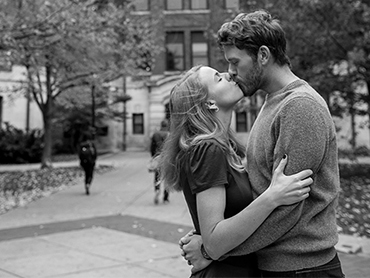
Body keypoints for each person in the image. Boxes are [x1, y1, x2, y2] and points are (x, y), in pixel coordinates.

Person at [180, 10, 344, 278]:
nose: (231, 72)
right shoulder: (272, 102)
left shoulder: (300, 107)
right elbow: (262, 190)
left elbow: (289, 209)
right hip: (276, 266)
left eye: (235, 62)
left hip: (303, 269)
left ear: (263, 55)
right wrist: (210, 236)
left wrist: (214, 249)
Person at [160, 64, 313, 277]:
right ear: (209, 103)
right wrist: (272, 197)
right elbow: (213, 239)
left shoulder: (225, 147)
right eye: (218, 78)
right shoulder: (207, 149)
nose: (228, 73)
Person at [150, 119, 170, 204]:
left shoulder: (155, 134)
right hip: (168, 159)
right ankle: (165, 198)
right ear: (167, 125)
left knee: (157, 176)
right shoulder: (170, 135)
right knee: (167, 178)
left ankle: (157, 190)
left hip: (158, 157)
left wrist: (153, 156)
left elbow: (151, 147)